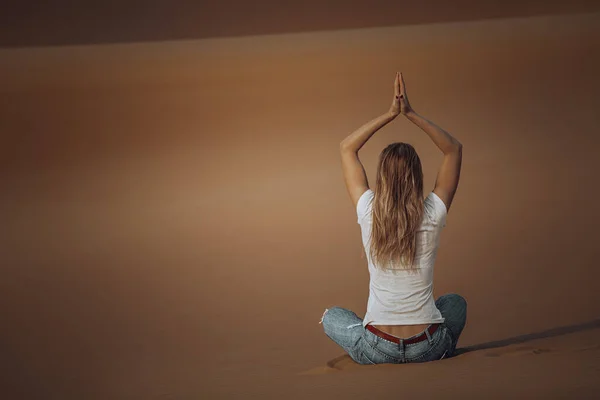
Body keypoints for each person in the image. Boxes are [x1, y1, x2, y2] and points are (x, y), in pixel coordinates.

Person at [321, 72, 467, 364]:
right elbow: (453, 149)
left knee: (331, 317)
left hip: (378, 347)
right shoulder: (432, 212)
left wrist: (390, 115)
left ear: (382, 178)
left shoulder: (368, 210)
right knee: (455, 303)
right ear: (417, 176)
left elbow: (347, 148)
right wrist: (411, 115)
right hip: (429, 345)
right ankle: (437, 348)